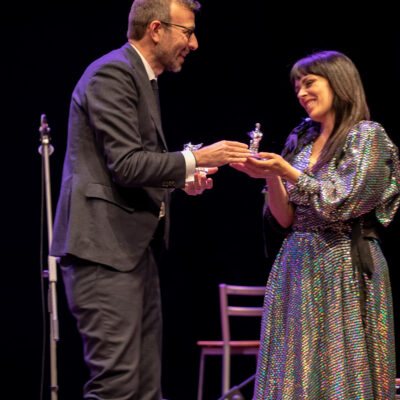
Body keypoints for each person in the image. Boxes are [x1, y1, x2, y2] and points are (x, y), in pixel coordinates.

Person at [50, 0, 250, 399]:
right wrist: (197, 158)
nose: (194, 43)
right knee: (118, 386)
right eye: (187, 32)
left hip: (131, 254)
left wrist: (182, 179)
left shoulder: (141, 78)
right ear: (156, 29)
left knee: (144, 388)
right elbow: (126, 164)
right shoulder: (112, 72)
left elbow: (131, 166)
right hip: (103, 253)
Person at [231, 50, 400, 399]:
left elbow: (342, 202)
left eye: (309, 83)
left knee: (342, 367)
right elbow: (285, 218)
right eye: (297, 87)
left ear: (339, 83)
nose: (301, 93)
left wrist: (287, 171)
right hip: (298, 263)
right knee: (295, 365)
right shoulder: (304, 140)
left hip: (345, 263)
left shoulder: (367, 136)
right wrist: (270, 176)